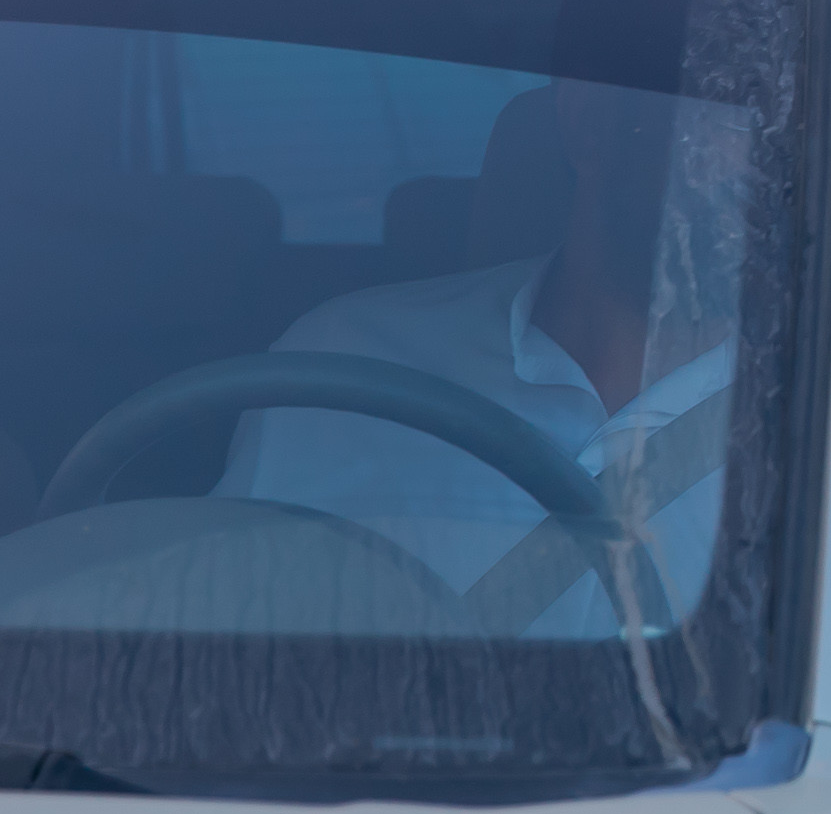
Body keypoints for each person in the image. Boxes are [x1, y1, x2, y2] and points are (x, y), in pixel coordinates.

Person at [220, 75, 736, 636]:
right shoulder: (339, 367)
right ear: (593, 125)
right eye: (736, 119)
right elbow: (222, 646)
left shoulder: (829, 413)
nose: (782, 170)